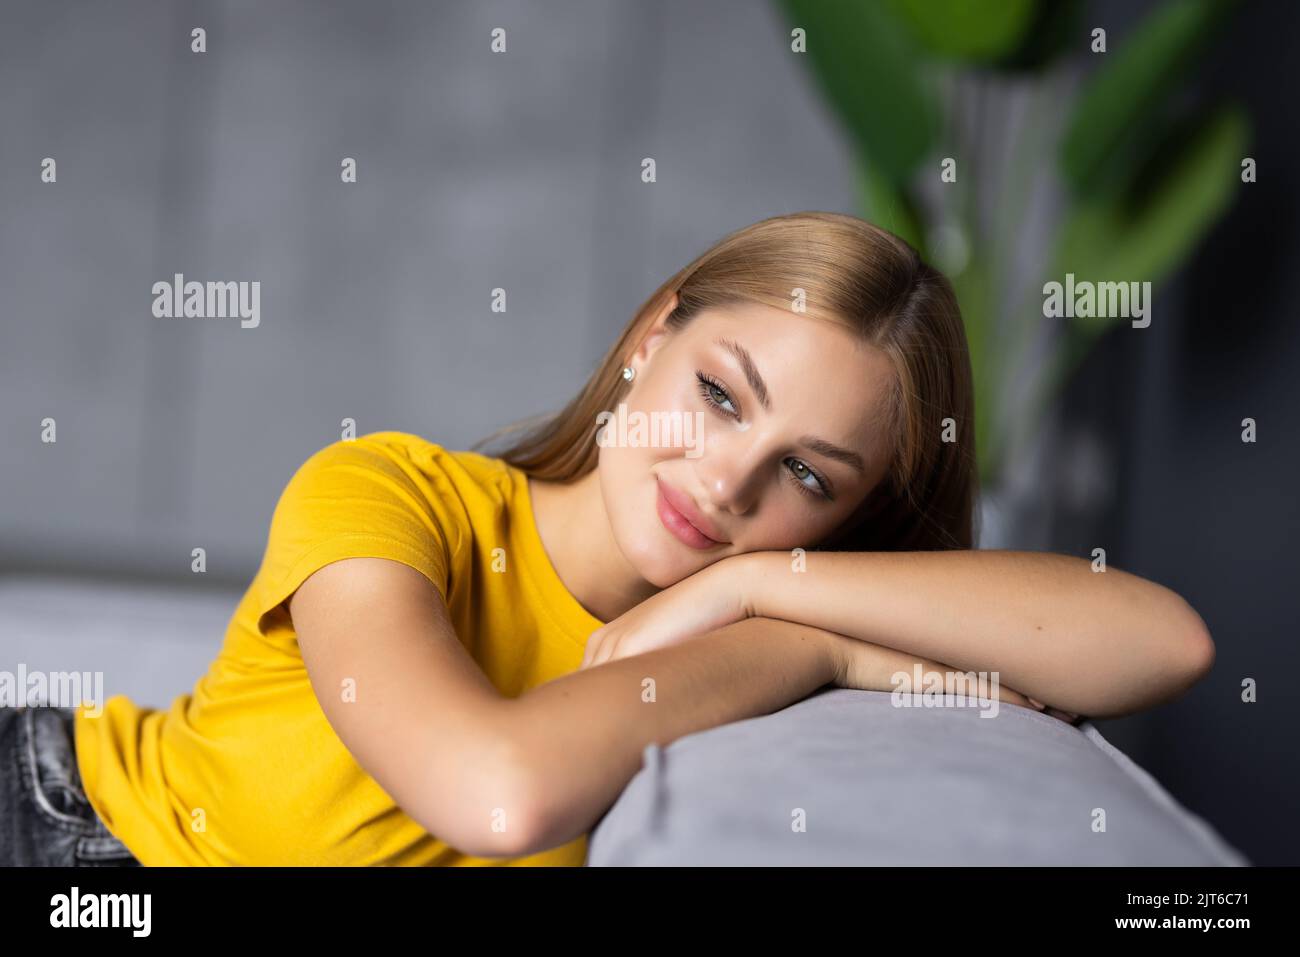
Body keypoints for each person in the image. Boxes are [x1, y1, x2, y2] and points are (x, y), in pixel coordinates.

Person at [11, 211, 1214, 867]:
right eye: (722, 393)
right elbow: (492, 795)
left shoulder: (763, 607)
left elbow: (1160, 640)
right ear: (650, 334)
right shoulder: (385, 491)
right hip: (75, 829)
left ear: (848, 516)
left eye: (803, 473)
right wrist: (799, 641)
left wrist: (778, 599)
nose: (727, 478)